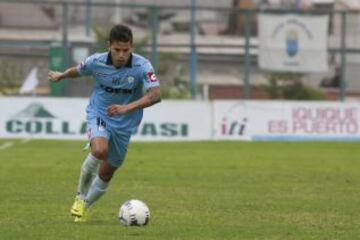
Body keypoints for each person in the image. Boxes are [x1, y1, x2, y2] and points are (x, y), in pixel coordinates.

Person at [48, 24, 161, 222]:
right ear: (109, 46)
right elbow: (79, 70)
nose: (121, 55)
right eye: (117, 50)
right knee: (99, 150)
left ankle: (83, 208)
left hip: (125, 124)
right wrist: (62, 75)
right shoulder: (96, 61)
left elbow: (156, 95)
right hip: (99, 114)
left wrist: (126, 108)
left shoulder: (143, 66)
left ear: (131, 47)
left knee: (107, 172)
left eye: (125, 50)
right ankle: (79, 197)